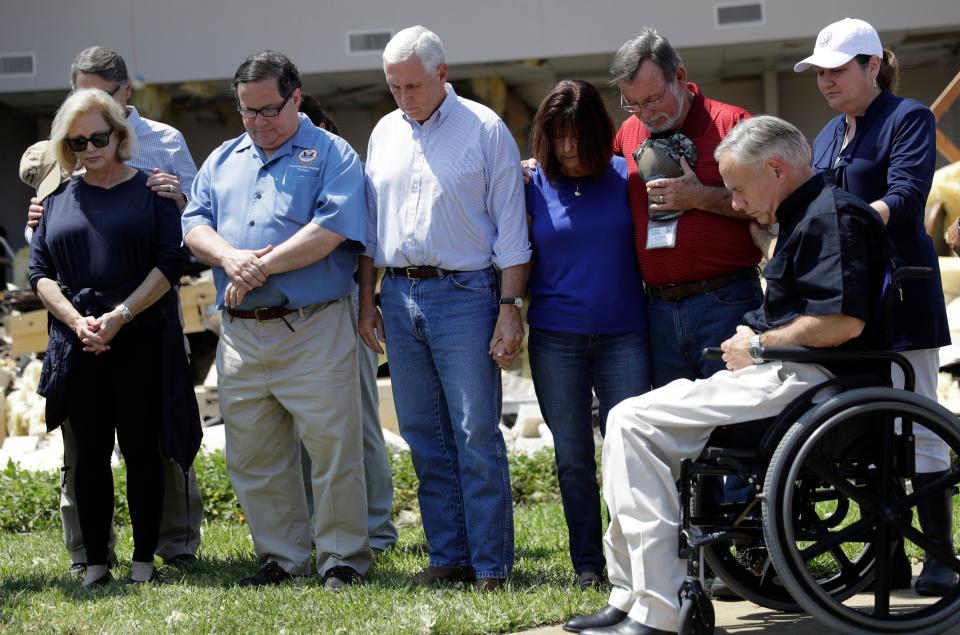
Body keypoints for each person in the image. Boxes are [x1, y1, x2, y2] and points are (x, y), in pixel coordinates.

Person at [564, 116, 894, 635]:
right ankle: (631, 593)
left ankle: (659, 607)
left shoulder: (832, 218)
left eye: (739, 189)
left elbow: (841, 320)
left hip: (812, 383)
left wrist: (759, 343)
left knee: (633, 422)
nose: (735, 204)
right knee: (625, 418)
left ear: (777, 169)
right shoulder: (807, 214)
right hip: (786, 375)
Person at [181, 50, 371, 589]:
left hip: (312, 325)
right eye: (247, 112)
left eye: (269, 110)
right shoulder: (223, 158)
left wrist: (257, 264)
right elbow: (193, 222)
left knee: (334, 450)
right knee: (254, 455)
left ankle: (342, 560)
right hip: (241, 333)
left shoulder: (332, 153)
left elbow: (333, 228)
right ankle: (282, 558)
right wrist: (227, 257)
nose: (259, 122)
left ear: (294, 97)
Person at [359, 25, 530, 591]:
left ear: (441, 74)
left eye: (412, 85)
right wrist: (369, 301)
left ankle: (488, 564)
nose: (403, 97)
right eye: (393, 87)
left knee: (474, 430)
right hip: (399, 291)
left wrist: (510, 305)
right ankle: (448, 555)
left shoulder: (484, 128)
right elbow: (369, 231)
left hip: (467, 292)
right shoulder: (383, 133)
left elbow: (511, 227)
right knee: (421, 431)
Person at [22, 46, 203, 574]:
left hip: (144, 333)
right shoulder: (59, 189)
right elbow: (40, 266)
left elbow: (178, 250)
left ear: (120, 123)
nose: (89, 146)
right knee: (86, 457)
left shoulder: (157, 168)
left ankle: (159, 552)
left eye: (98, 137)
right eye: (78, 142)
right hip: (80, 341)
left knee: (149, 451)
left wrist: (121, 316)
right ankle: (93, 558)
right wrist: (79, 323)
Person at [793, 17, 953, 596]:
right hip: (848, 303)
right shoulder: (828, 134)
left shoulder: (908, 117)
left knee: (923, 425)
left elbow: (907, 195)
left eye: (837, 70)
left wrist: (848, 222)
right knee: (867, 431)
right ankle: (884, 556)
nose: (827, 82)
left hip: (903, 297)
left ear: (872, 66)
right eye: (820, 73)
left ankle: (939, 555)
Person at [525, 79, 650, 589]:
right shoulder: (528, 184)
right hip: (556, 338)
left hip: (626, 335)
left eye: (578, 135)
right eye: (558, 137)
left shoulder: (628, 177)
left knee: (630, 452)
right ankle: (588, 565)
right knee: (573, 457)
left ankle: (637, 558)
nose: (569, 148)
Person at [609, 28, 762, 389]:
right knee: (676, 432)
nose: (644, 113)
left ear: (680, 77)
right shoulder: (628, 133)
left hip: (726, 301)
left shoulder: (733, 124)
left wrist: (699, 197)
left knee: (736, 422)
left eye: (653, 99)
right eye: (632, 103)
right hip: (658, 308)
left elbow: (767, 205)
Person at [296, 95, 398, 551]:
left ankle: (376, 528)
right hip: (294, 318)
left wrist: (365, 308)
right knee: (304, 431)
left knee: (359, 423)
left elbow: (364, 249)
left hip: (344, 309)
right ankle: (317, 525)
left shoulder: (345, 167)